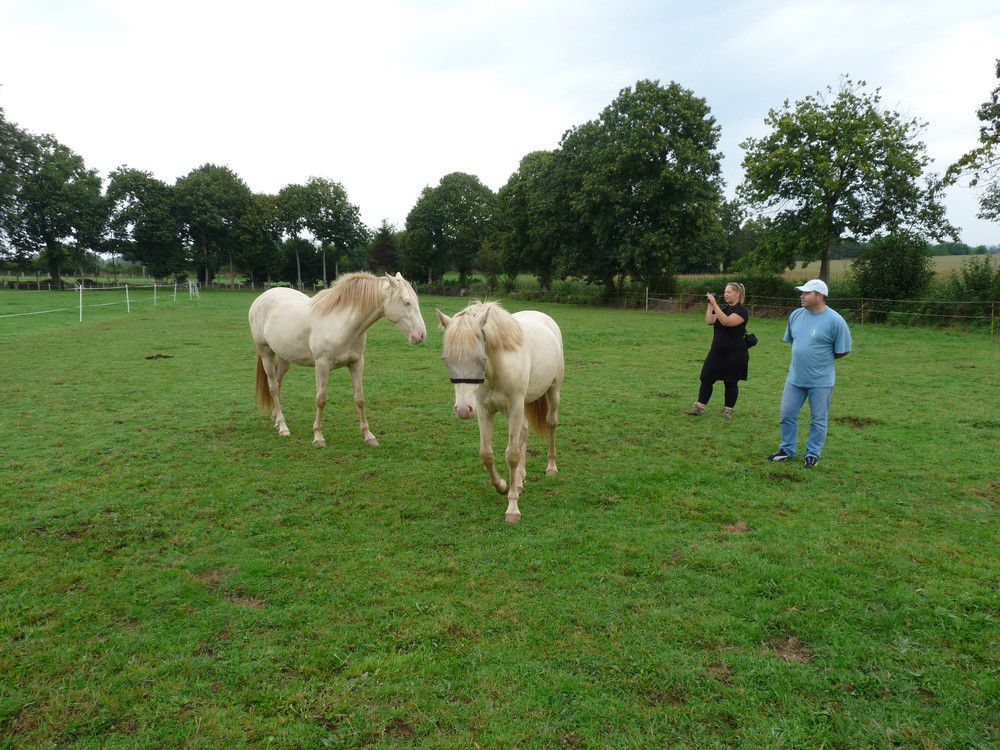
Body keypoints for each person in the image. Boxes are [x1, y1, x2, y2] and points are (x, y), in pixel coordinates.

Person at [767, 279, 852, 468]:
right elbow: (795, 342)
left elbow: (843, 349)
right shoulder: (796, 315)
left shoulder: (836, 321)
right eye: (802, 292)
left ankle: (812, 454)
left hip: (821, 381)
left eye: (806, 293)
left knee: (818, 420)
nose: (802, 296)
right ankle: (786, 449)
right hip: (795, 378)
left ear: (819, 296)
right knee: (786, 414)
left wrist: (821, 361)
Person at [686, 282, 750, 420]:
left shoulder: (742, 311)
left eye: (729, 292)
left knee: (731, 382)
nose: (726, 294)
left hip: (735, 354)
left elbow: (727, 322)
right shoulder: (723, 309)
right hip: (717, 352)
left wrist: (715, 305)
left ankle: (728, 411)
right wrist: (710, 305)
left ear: (737, 294)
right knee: (706, 378)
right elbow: (710, 321)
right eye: (725, 292)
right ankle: (699, 407)